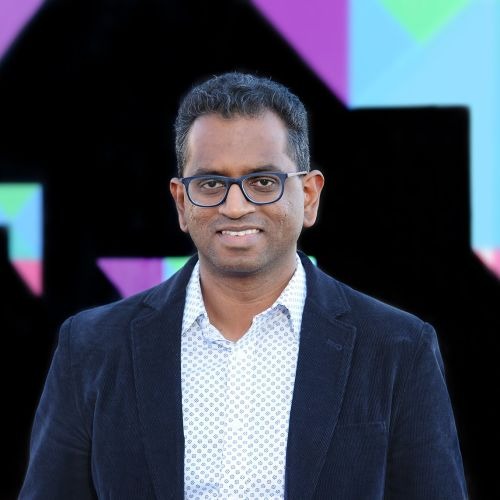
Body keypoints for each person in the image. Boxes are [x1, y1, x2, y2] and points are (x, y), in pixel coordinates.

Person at [19, 71, 468, 499]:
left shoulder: (397, 347)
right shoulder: (92, 348)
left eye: (263, 181)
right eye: (211, 183)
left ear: (309, 195)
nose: (235, 206)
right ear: (181, 201)